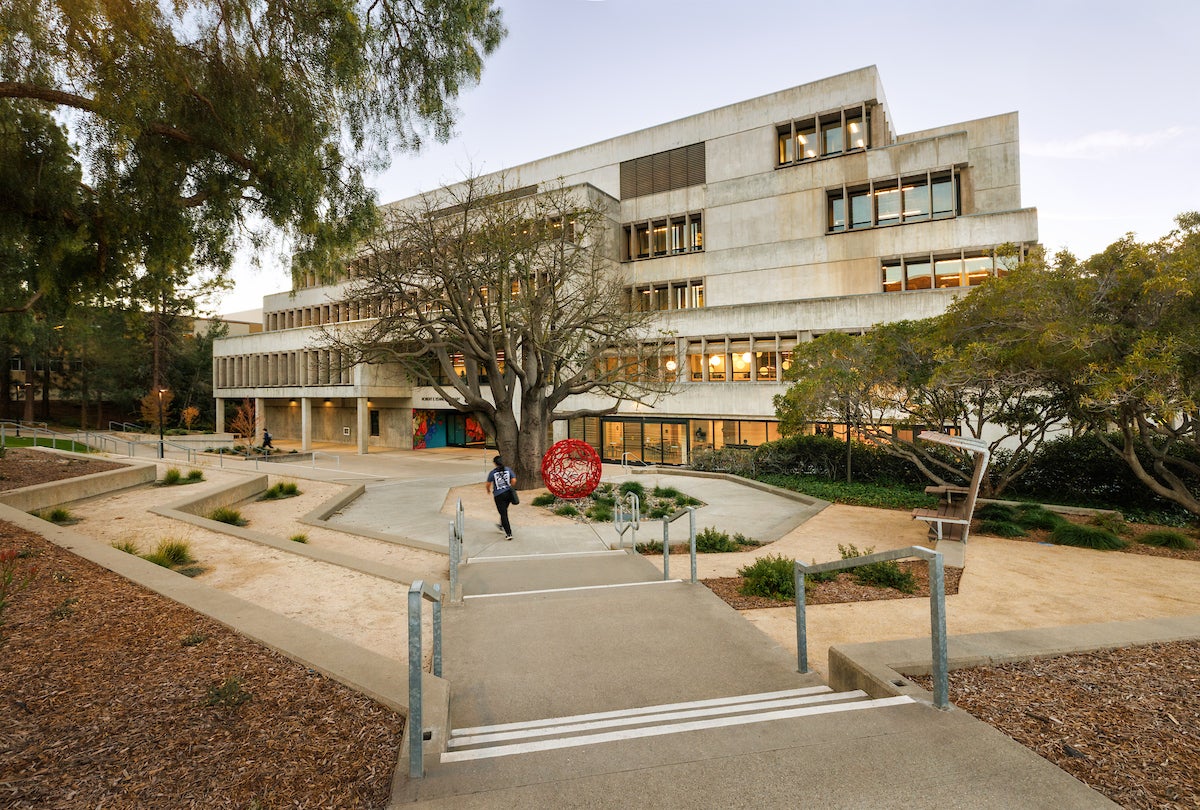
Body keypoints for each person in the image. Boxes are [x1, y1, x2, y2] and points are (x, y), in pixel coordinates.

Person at [485, 455, 517, 540]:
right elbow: (514, 480)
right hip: (508, 493)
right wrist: (510, 487)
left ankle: (508, 533)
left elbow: (488, 484)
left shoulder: (493, 472)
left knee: (503, 514)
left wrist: (488, 490)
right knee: (504, 511)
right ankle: (501, 524)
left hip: (499, 495)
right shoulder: (508, 469)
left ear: (495, 463)